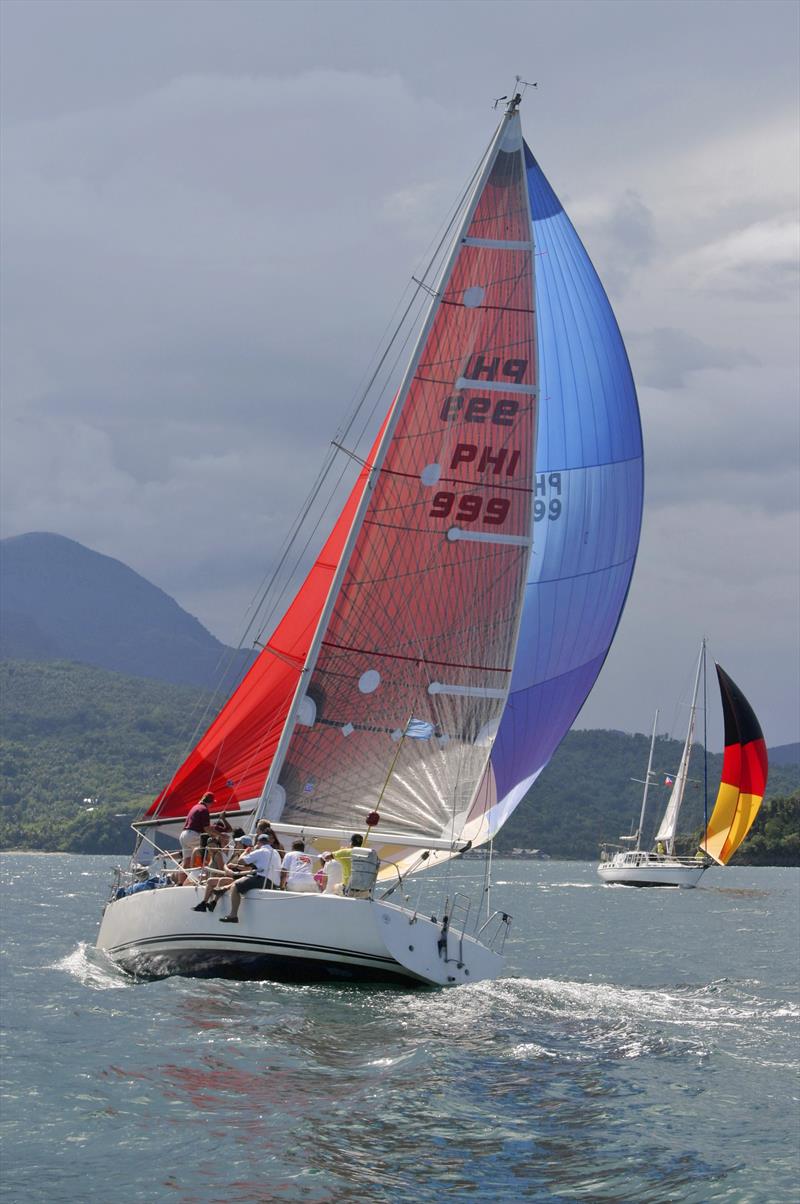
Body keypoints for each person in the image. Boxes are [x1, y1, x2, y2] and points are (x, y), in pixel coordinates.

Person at [218, 834, 282, 923]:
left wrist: (246, 852)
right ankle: (224, 889)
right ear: (268, 842)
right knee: (245, 879)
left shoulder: (260, 851)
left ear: (258, 842)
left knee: (235, 886)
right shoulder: (276, 852)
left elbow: (241, 861)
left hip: (263, 880)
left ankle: (233, 915)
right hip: (274, 883)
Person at [180, 792, 214, 868]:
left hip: (183, 835)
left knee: (186, 862)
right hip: (193, 835)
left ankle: (181, 880)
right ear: (210, 802)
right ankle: (206, 871)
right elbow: (207, 829)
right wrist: (219, 835)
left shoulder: (195, 807)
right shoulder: (204, 810)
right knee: (212, 849)